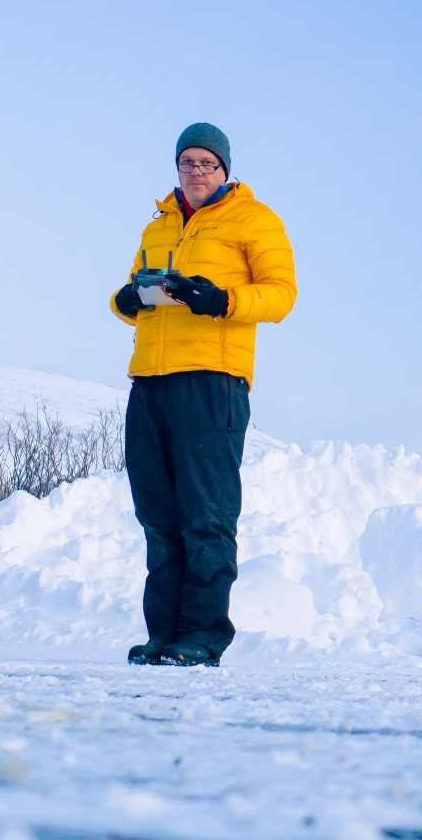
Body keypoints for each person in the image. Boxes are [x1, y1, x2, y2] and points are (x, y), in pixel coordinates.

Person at [110, 122, 297, 667]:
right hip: (150, 381)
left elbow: (281, 294)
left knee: (206, 515)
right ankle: (162, 637)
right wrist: (127, 300)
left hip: (212, 380)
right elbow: (128, 299)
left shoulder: (253, 220)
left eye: (206, 163)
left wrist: (220, 300)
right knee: (158, 517)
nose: (195, 172)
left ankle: (202, 636)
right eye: (186, 162)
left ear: (225, 169)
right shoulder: (158, 227)